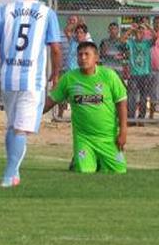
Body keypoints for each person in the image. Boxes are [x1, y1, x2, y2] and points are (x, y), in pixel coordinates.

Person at [0, 0, 63, 189]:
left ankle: (14, 172)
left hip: (8, 76)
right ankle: (9, 176)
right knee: (21, 129)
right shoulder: (47, 13)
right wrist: (56, 74)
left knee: (12, 125)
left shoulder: (4, 10)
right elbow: (55, 48)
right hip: (32, 78)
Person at [44, 41, 128, 173]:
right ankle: (79, 160)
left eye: (86, 54)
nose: (83, 58)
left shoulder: (109, 76)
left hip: (108, 138)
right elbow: (50, 101)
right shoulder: (69, 78)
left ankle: (98, 160)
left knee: (119, 171)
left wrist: (123, 131)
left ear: (96, 57)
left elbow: (121, 102)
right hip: (84, 138)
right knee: (84, 171)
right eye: (80, 55)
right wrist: (31, 115)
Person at [121, 20, 154, 120]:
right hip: (134, 74)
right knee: (131, 96)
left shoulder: (147, 43)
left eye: (142, 31)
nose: (140, 33)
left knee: (143, 97)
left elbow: (156, 37)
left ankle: (141, 118)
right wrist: (131, 29)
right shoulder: (131, 42)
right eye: (139, 31)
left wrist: (148, 26)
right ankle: (131, 117)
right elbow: (122, 40)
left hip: (145, 73)